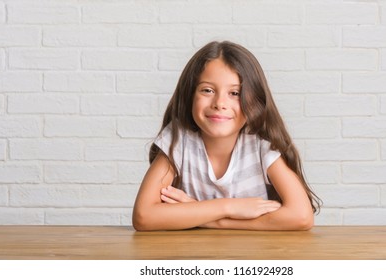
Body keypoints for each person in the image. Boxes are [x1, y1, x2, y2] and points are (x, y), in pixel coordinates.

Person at [132, 41, 321, 231]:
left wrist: (204, 217)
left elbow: (301, 217)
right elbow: (143, 216)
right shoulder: (179, 140)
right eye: (207, 90)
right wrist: (229, 206)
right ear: (190, 95)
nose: (220, 103)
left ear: (254, 101)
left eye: (235, 93)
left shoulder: (261, 146)